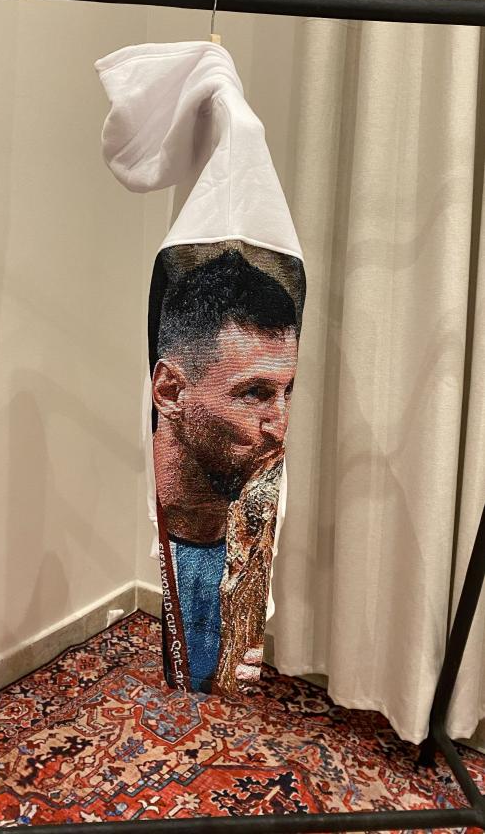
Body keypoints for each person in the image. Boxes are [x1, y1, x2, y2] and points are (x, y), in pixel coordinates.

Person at [151, 247, 299, 693]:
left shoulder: (257, 497)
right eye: (254, 393)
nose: (280, 426)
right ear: (170, 392)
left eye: (287, 391)